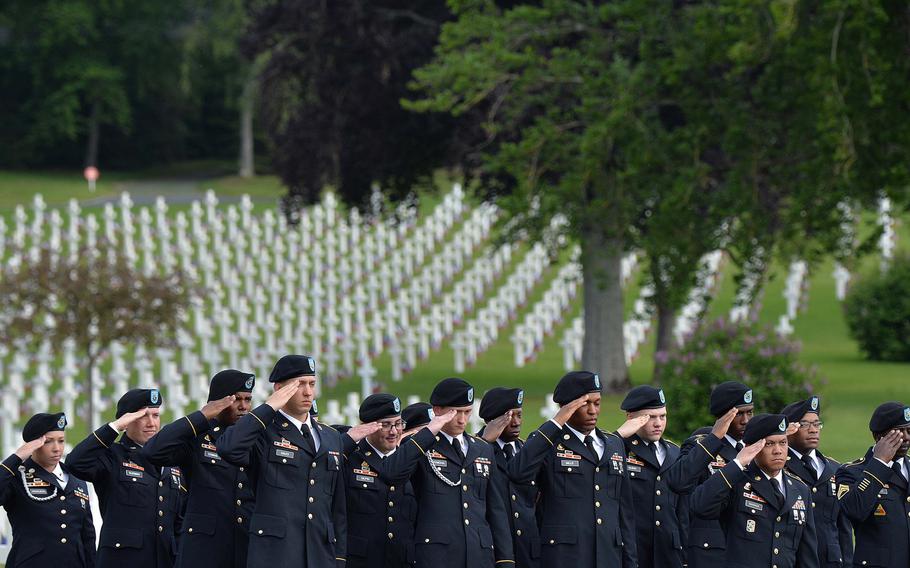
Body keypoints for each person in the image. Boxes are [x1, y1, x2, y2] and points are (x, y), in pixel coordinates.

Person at [216, 355, 347, 568]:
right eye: (299, 384)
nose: (308, 392)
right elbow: (227, 448)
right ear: (279, 389)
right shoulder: (264, 431)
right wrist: (268, 408)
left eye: (311, 384)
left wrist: (339, 559)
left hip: (320, 556)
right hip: (275, 555)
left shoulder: (331, 437)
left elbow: (337, 509)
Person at [381, 377, 515, 568]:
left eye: (467, 412)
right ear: (437, 410)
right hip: (437, 557)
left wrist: (505, 561)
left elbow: (496, 510)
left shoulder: (482, 449)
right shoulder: (422, 445)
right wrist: (430, 430)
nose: (462, 419)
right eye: (455, 412)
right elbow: (391, 473)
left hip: (479, 556)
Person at [508, 371, 637, 567]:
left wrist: (631, 562)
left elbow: (624, 512)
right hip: (565, 557)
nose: (593, 410)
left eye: (597, 403)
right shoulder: (548, 442)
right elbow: (518, 472)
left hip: (608, 556)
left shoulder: (613, 444)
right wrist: (556, 423)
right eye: (585, 403)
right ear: (567, 407)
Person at [141, 369, 256, 568]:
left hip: (245, 546)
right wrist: (202, 416)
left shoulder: (254, 438)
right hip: (203, 549)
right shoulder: (198, 437)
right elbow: (153, 451)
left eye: (248, 399)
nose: (243, 406)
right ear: (218, 401)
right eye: (237, 399)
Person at [66, 389, 185, 568]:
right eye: (142, 416)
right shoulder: (112, 456)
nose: (151, 423)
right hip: (122, 561)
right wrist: (115, 427)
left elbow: (178, 521)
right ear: (127, 421)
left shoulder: (172, 462)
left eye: (155, 415)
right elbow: (75, 463)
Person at [340, 393, 454, 568]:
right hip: (361, 560)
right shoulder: (352, 459)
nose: (394, 431)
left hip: (403, 559)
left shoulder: (413, 461)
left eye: (398, 423)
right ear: (368, 426)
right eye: (386, 425)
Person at [691, 414, 819, 568]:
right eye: (769, 444)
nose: (778, 450)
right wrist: (737, 464)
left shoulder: (800, 489)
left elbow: (807, 556)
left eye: (783, 443)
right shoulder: (737, 481)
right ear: (753, 448)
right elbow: (701, 506)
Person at [665, 380, 754, 567]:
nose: (746, 420)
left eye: (750, 412)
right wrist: (714, 438)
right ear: (724, 415)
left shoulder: (755, 447)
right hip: (712, 552)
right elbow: (678, 481)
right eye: (739, 414)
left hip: (747, 548)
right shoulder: (702, 444)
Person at [0, 412, 96, 567]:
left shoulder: (75, 478)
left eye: (61, 441)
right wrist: (17, 457)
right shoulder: (17, 477)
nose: (57, 449)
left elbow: (87, 535)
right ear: (33, 444)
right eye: (48, 442)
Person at [836, 401, 910, 567]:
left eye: (909, 430)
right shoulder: (851, 472)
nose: (906, 437)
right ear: (878, 436)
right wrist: (880, 463)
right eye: (899, 432)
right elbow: (853, 510)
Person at [780, 396, 852, 567]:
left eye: (817, 424)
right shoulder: (779, 467)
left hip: (831, 561)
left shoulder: (836, 469)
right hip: (794, 560)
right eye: (805, 424)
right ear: (789, 430)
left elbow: (844, 527)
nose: (813, 430)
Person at [616, 386, 684, 568]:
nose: (658, 423)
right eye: (650, 417)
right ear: (631, 418)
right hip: (633, 550)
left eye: (663, 416)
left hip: (669, 552)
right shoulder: (618, 449)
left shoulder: (674, 452)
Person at [477, 387, 539, 568]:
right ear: (492, 420)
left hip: (529, 553)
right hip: (493, 552)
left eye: (519, 415)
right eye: (509, 417)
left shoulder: (526, 451)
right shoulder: (475, 451)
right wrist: (484, 443)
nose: (517, 422)